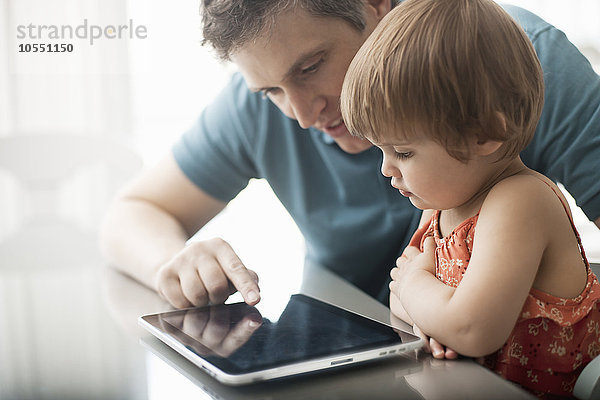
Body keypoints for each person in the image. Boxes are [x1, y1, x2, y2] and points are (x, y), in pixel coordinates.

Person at [100, 0, 600, 316]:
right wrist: (173, 263)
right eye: (271, 89)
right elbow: (134, 212)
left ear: (376, 6)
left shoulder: (518, 64)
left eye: (312, 67)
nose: (299, 113)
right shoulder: (257, 107)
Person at [339, 0, 600, 396]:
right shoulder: (441, 206)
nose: (386, 169)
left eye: (404, 152)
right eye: (381, 151)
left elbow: (471, 329)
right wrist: (432, 312)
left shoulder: (521, 202)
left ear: (481, 134)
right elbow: (401, 304)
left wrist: (421, 293)